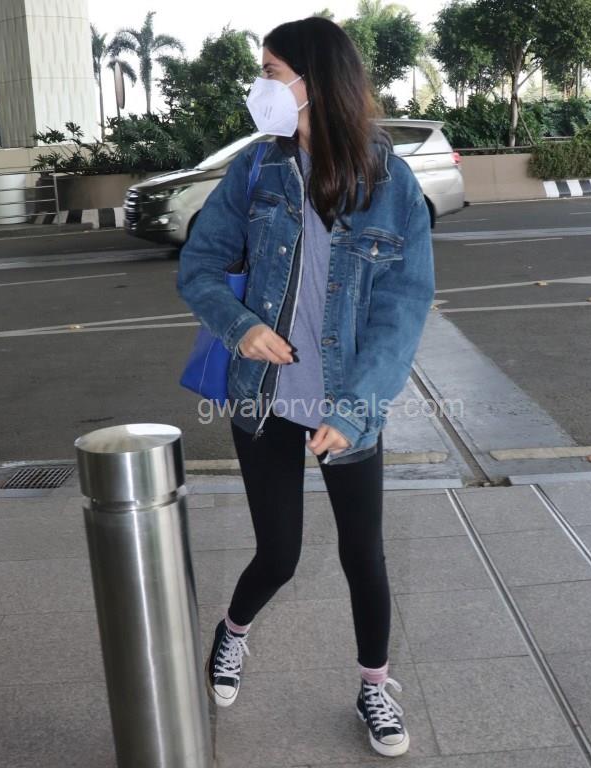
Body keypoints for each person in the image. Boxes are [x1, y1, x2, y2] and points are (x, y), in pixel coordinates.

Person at [177, 16, 434, 758]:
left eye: (270, 71)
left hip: (346, 404)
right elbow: (199, 265)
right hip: (265, 397)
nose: (260, 86)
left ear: (313, 80)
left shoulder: (390, 183)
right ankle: (232, 633)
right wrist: (240, 326)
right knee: (280, 553)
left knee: (364, 555)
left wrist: (357, 410)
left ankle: (373, 686)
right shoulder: (256, 168)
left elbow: (403, 306)